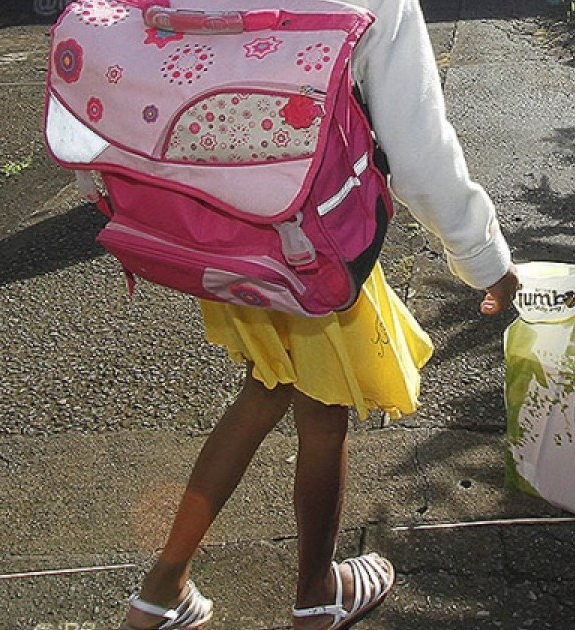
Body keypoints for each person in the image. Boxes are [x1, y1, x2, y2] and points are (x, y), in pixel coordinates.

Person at [118, 0, 518, 628]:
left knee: (265, 390)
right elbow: (419, 153)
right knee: (322, 418)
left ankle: (163, 588)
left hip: (220, 220)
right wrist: (485, 257)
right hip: (316, 239)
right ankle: (316, 592)